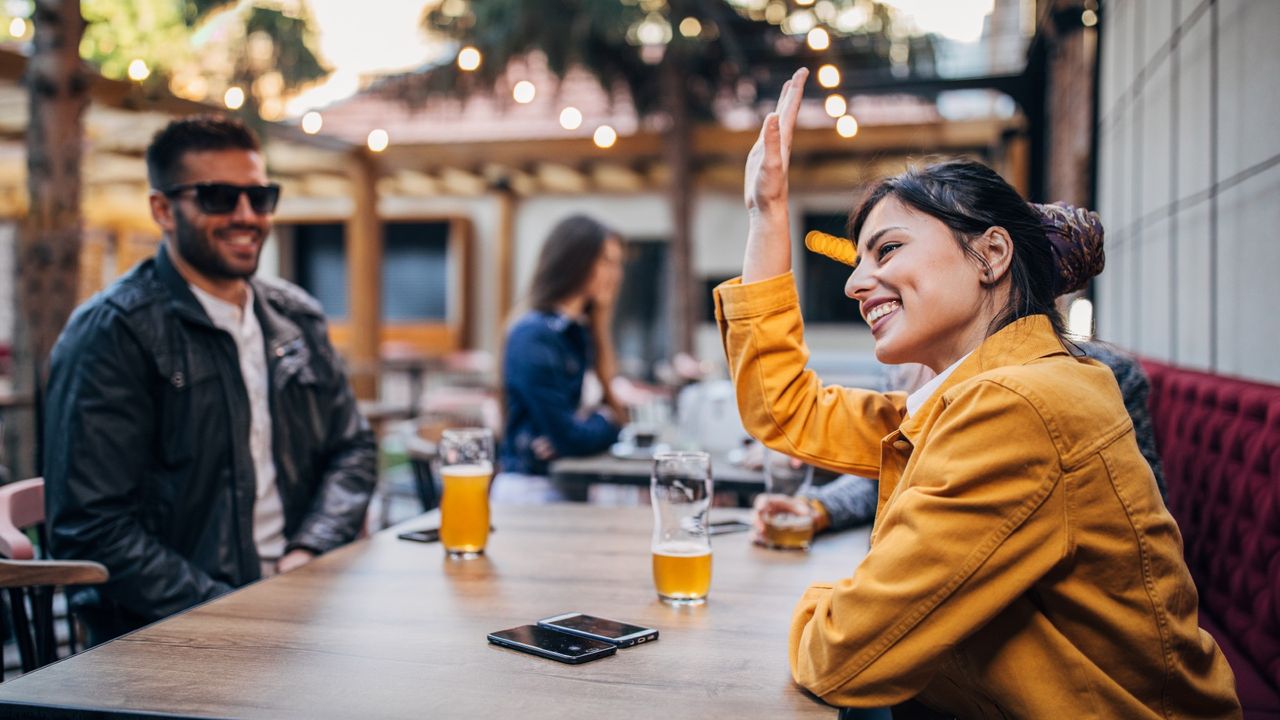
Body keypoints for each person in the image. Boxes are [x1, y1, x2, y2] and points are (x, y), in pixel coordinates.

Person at [717, 69, 1240, 717]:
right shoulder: (984, 391)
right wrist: (766, 213)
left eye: (887, 250)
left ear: (991, 255)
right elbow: (787, 409)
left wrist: (832, 593)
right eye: (858, 262)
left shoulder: (1018, 407)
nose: (857, 284)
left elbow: (840, 656)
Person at [44, 116, 376, 645]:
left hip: (308, 605)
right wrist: (230, 609)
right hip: (169, 636)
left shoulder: (297, 317)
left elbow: (353, 448)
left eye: (260, 196)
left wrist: (309, 551)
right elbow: (91, 527)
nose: (247, 216)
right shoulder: (113, 333)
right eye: (219, 197)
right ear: (162, 210)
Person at [496, 214, 625, 501]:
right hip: (532, 491)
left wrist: (588, 427)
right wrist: (607, 420)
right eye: (606, 260)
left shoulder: (581, 332)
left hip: (567, 486)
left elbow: (570, 435)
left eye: (618, 263)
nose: (615, 273)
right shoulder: (534, 334)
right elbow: (569, 437)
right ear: (573, 259)